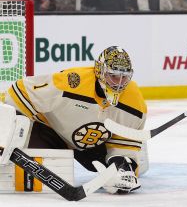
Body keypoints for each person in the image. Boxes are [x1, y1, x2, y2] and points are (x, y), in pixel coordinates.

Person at [4, 46, 146, 194]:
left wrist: (122, 166)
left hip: (92, 145)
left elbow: (123, 145)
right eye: (114, 76)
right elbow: (19, 91)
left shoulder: (134, 101)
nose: (119, 83)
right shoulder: (72, 82)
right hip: (51, 131)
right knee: (30, 175)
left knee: (119, 171)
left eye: (125, 77)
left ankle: (139, 156)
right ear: (100, 71)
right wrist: (8, 129)